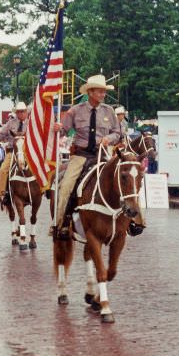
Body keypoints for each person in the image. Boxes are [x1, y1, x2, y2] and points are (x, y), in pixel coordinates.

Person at [54, 74, 124, 236]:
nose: (103, 94)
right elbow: (63, 130)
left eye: (104, 92)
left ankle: (133, 221)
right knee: (65, 187)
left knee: (125, 180)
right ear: (90, 92)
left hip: (103, 155)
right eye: (100, 91)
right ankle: (61, 223)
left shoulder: (109, 111)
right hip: (81, 156)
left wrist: (109, 138)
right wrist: (58, 128)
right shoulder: (75, 111)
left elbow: (117, 133)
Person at [0, 102, 29, 200]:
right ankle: (2, 192)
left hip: (27, 151)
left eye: (23, 111)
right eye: (19, 112)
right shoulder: (10, 123)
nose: (21, 113)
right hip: (12, 151)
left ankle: (43, 189)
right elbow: (2, 136)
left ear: (26, 112)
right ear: (16, 112)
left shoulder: (31, 123)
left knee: (39, 167)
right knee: (3, 169)